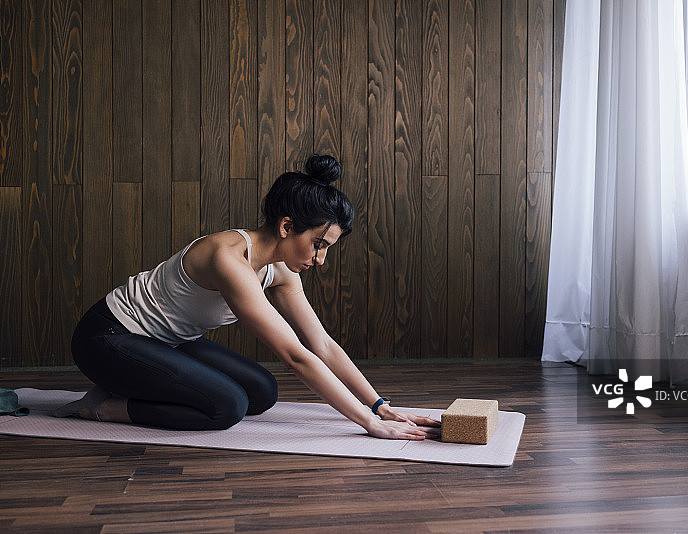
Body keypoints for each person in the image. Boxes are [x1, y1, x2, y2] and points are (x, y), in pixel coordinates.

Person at [54, 154, 439, 440]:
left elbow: (320, 343)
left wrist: (379, 405)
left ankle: (133, 380)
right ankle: (101, 407)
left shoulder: (283, 270)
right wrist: (367, 425)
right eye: (318, 245)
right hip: (107, 339)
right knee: (226, 406)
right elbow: (294, 356)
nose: (321, 259)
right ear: (287, 226)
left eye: (328, 249)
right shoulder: (229, 258)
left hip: (167, 342)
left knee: (260, 392)